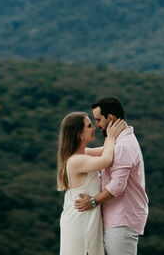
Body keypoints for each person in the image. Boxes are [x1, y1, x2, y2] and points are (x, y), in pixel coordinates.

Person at [73, 96, 149, 255]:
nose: (97, 125)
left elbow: (117, 187)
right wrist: (70, 153)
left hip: (121, 219)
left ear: (111, 118)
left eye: (99, 120)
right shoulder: (121, 141)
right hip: (117, 218)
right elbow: (98, 153)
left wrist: (92, 202)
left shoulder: (123, 146)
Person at [59, 111, 127, 255]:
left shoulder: (84, 154)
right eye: (89, 126)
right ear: (79, 134)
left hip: (87, 217)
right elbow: (106, 160)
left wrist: (120, 136)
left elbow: (110, 150)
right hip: (80, 220)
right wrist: (111, 136)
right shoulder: (76, 161)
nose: (94, 127)